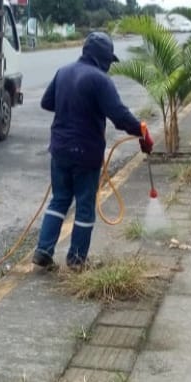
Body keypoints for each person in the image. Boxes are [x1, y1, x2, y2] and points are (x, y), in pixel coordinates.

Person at [32, 31, 153, 270]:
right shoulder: (100, 80)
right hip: (86, 153)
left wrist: (71, 105)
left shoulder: (64, 71)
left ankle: (43, 250)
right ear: (103, 58)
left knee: (59, 200)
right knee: (85, 206)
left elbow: (47, 102)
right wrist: (140, 129)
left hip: (59, 150)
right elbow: (119, 115)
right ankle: (77, 260)